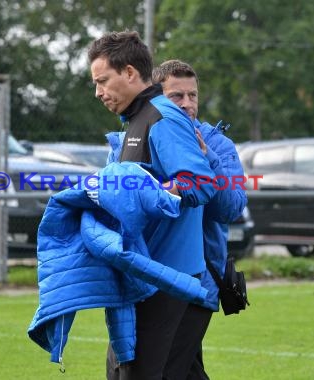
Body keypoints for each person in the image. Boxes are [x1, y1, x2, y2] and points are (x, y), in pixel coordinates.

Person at [88, 31, 217, 379]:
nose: (98, 92)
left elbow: (202, 184)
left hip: (165, 281)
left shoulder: (163, 117)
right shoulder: (136, 119)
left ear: (130, 73)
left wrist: (149, 192)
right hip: (143, 277)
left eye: (103, 81)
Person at [153, 60, 247, 379]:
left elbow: (231, 208)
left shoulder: (218, 144)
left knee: (165, 371)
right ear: (157, 98)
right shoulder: (147, 135)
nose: (187, 104)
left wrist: (208, 159)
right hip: (152, 277)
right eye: (176, 96)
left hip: (198, 280)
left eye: (192, 96)